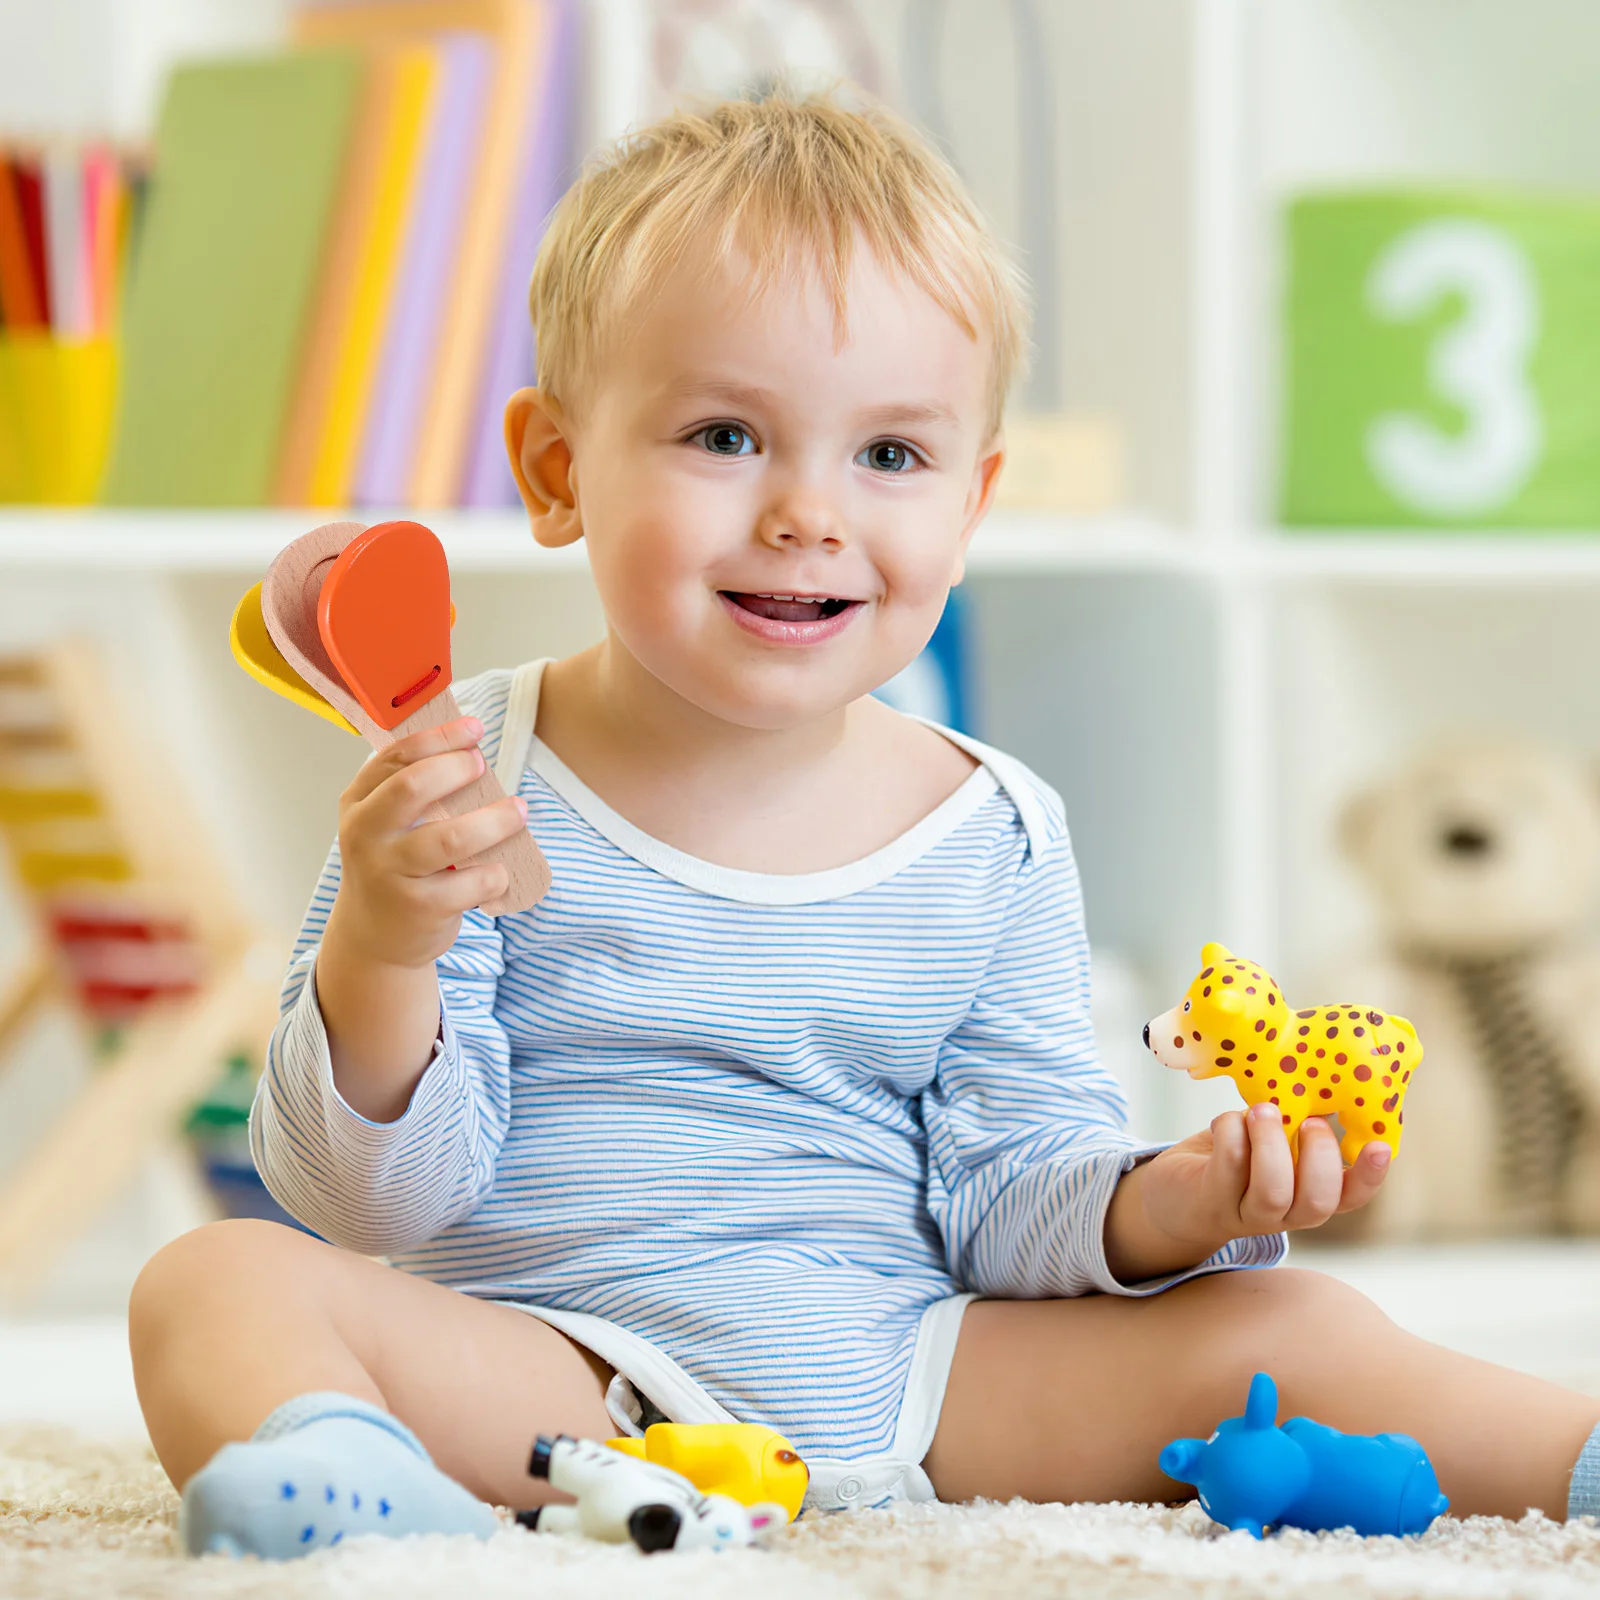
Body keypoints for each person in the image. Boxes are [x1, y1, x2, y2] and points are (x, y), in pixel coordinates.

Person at [130, 90, 1600, 1560]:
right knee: (218, 1282)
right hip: (566, 1382)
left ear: (973, 505)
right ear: (558, 472)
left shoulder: (995, 827)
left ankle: (1573, 1454)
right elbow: (363, 1195)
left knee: (1295, 1317)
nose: (808, 514)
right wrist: (389, 944)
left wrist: (1177, 1202)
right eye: (725, 434)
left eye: (890, 457)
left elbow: (1010, 1193)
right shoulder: (454, 785)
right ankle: (345, 1488)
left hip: (927, 1378)